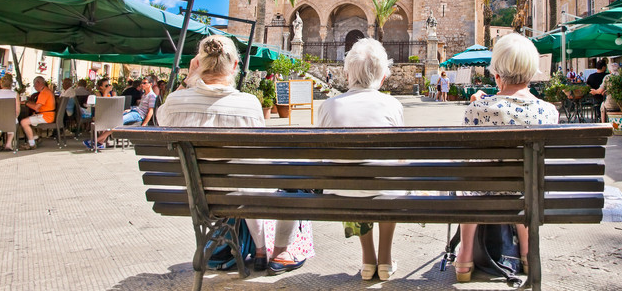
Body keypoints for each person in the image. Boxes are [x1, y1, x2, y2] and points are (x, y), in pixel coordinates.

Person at [157, 35, 312, 274]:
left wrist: (188, 80)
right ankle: (276, 252)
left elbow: (160, 119)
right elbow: (258, 157)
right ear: (235, 66)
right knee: (287, 178)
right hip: (244, 192)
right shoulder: (249, 104)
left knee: (247, 183)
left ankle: (253, 248)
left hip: (196, 197)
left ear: (197, 64)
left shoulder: (176, 102)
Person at [457, 33, 559, 283]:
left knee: (468, 185)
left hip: (483, 192)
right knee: (526, 184)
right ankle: (526, 253)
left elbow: (468, 160)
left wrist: (477, 105)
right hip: (528, 194)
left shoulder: (477, 109)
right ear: (532, 71)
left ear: (497, 74)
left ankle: (464, 259)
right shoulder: (549, 111)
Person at [317, 38, 403, 281]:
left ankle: (368, 260)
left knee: (350, 177)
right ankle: (385, 260)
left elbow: (323, 157)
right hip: (386, 191)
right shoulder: (393, 105)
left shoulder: (328, 106)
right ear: (383, 76)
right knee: (388, 178)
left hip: (342, 193)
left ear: (346, 74)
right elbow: (400, 155)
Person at [86, 76, 156, 150]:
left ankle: (96, 141)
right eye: (142, 83)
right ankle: (99, 142)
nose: (142, 84)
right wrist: (130, 109)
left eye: (144, 83)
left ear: (150, 84)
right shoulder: (144, 94)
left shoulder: (152, 96)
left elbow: (151, 111)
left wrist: (144, 124)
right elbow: (140, 107)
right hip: (135, 111)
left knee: (116, 122)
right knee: (113, 120)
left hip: (138, 115)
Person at [19, 76, 55, 150]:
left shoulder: (44, 93)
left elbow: (36, 108)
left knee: (24, 122)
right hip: (47, 114)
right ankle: (35, 137)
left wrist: (26, 103)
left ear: (38, 83)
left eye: (34, 85)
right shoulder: (46, 91)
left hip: (46, 116)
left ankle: (32, 144)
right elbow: (37, 106)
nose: (34, 87)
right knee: (28, 119)